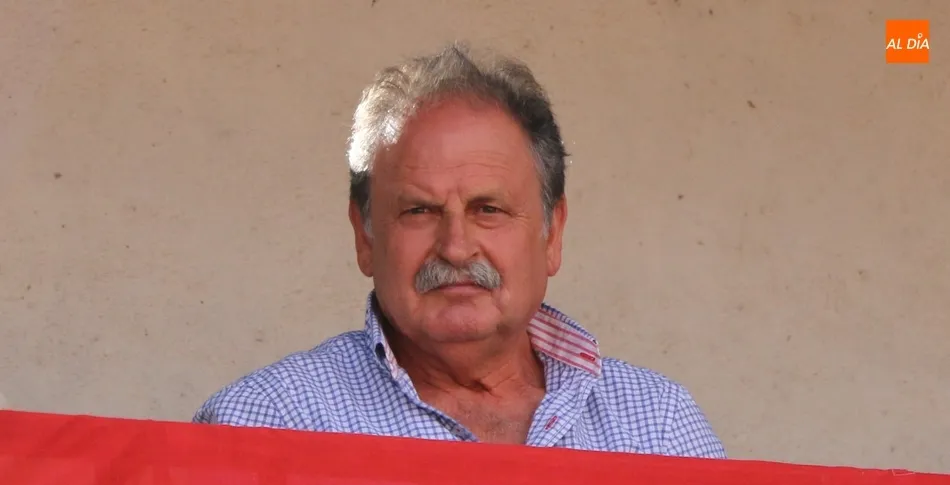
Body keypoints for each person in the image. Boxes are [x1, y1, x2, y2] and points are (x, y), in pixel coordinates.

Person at [193, 43, 726, 458]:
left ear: (552, 233)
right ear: (365, 236)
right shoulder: (266, 423)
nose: (455, 246)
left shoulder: (658, 426)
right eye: (419, 211)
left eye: (488, 209)